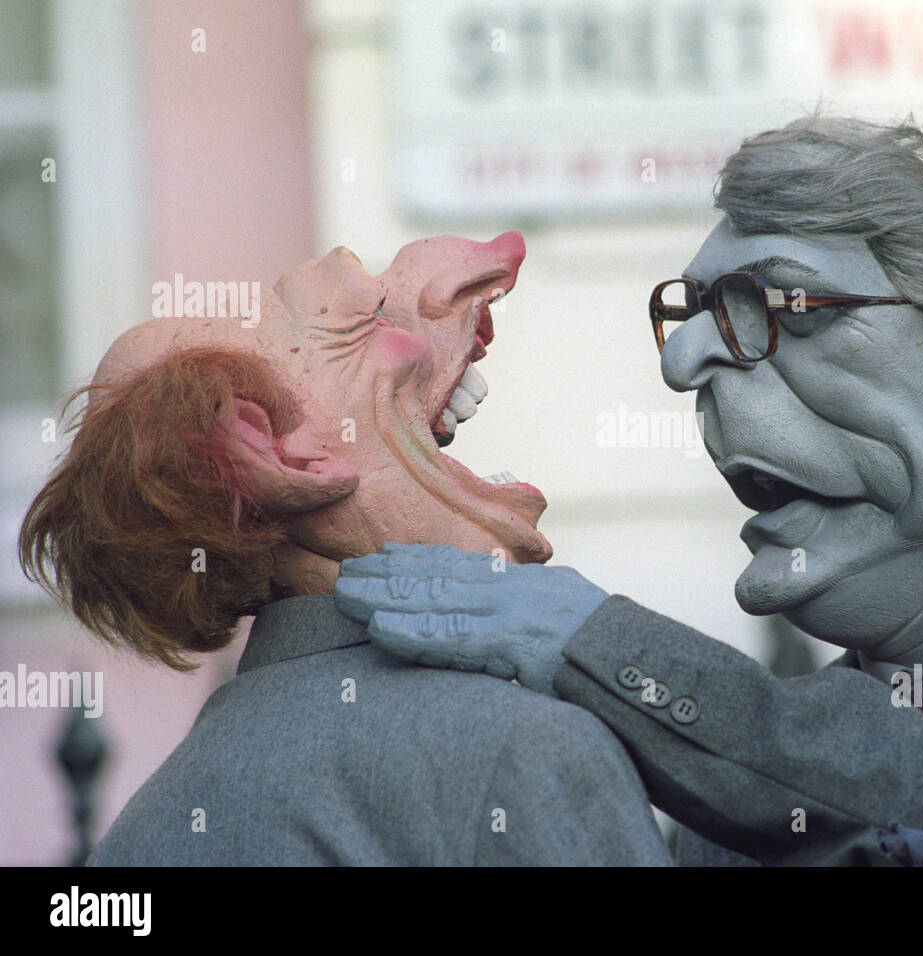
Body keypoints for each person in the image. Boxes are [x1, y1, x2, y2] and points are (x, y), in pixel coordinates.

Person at [332, 116, 923, 866]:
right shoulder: (731, 812)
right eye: (693, 312)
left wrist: (595, 639)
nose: (683, 364)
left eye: (778, 303)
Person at [20, 234, 669, 865]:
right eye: (365, 320)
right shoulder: (523, 749)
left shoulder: (142, 831)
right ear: (274, 455)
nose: (493, 257)